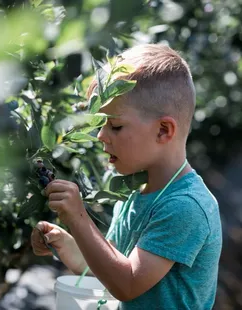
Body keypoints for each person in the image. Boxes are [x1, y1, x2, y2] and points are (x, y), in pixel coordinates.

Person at [31, 44, 222, 309]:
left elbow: (127, 284)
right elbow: (108, 269)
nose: (100, 135)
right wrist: (65, 243)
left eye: (116, 126)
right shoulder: (134, 193)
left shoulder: (186, 206)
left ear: (163, 130)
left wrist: (79, 218)